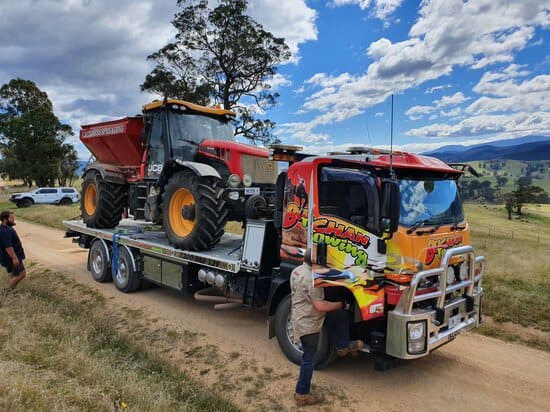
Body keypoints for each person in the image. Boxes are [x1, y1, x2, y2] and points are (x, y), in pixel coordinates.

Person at [291, 249, 364, 407]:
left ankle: (342, 346)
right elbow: (320, 305)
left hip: (300, 317)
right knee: (308, 359)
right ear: (317, 262)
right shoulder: (312, 279)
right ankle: (302, 395)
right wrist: (342, 304)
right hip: (309, 323)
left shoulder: (297, 271)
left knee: (338, 316)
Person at [0, 211, 27, 290]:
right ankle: (7, 291)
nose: (13, 219)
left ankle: (10, 292)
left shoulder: (6, 228)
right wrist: (14, 258)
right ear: (5, 219)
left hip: (8, 257)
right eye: (11, 218)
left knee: (12, 274)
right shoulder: (5, 231)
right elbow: (8, 247)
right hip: (11, 257)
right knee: (22, 274)